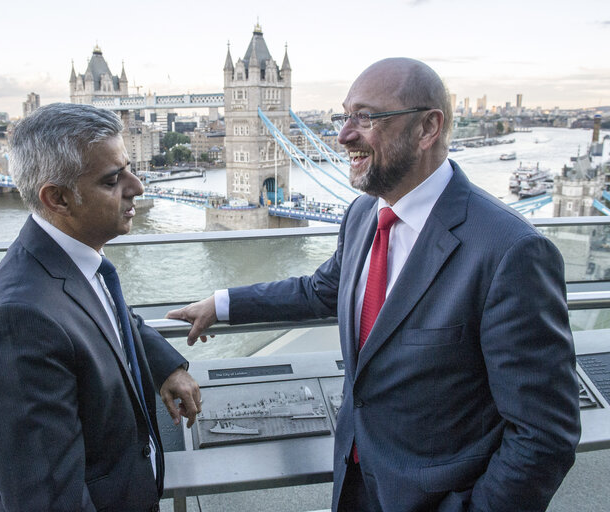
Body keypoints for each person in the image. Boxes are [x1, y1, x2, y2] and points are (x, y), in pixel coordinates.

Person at [167, 58, 580, 511]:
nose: (343, 135)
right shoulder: (364, 214)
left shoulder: (510, 250)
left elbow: (543, 435)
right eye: (344, 116)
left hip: (438, 496)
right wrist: (222, 304)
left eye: (365, 118)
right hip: (355, 480)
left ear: (427, 128)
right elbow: (321, 290)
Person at [0, 103, 200, 512]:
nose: (138, 187)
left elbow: (110, 317)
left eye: (128, 167)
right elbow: (48, 499)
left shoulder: (71, 262)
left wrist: (165, 366)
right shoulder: (16, 322)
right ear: (57, 198)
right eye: (113, 180)